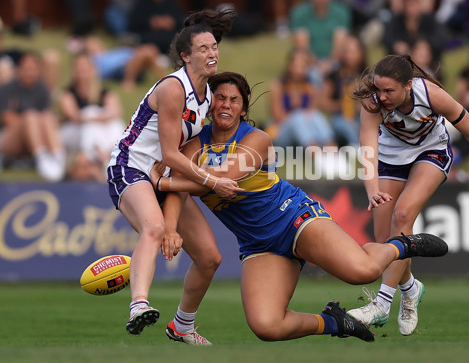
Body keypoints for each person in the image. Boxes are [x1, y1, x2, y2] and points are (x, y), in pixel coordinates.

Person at [148, 71, 449, 343]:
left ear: (243, 108)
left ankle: (405, 244)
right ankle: (334, 322)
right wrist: (172, 228)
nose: (226, 105)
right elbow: (182, 193)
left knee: (364, 271)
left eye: (234, 100)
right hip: (257, 244)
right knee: (266, 326)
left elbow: (222, 179)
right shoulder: (192, 147)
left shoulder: (258, 139)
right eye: (220, 98)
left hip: (296, 218)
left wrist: (163, 183)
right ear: (209, 104)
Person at [106, 9, 244, 340]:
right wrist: (213, 181)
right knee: (153, 228)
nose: (212, 53)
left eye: (214, 47)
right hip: (130, 168)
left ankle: (182, 325)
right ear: (185, 56)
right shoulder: (172, 88)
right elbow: (169, 155)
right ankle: (139, 304)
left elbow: (177, 165)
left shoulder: (207, 96)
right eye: (203, 49)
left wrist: (173, 226)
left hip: (162, 179)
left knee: (210, 258)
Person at [347, 54, 469, 335]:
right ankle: (410, 288)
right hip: (390, 158)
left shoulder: (432, 95)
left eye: (389, 91)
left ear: (408, 85)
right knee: (385, 243)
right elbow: (368, 149)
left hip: (430, 152)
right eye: (378, 89)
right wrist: (372, 191)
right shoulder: (371, 103)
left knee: (404, 214)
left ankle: (382, 305)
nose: (381, 97)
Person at [0, 52, 65, 181]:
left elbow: (46, 117)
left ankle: (58, 157)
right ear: (18, 70)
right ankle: (42, 158)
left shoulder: (42, 89)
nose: (29, 73)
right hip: (8, 140)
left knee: (46, 118)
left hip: (33, 139)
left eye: (33, 69)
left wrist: (37, 124)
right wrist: (30, 123)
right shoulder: (7, 88)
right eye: (26, 69)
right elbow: (6, 118)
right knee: (31, 117)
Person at [59, 53, 124, 181]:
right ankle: (100, 159)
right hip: (72, 133)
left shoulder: (103, 92)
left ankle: (99, 156)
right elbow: (73, 116)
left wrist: (96, 118)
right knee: (90, 112)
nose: (83, 72)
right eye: (79, 68)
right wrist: (96, 117)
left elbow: (116, 111)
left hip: (96, 136)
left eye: (86, 68)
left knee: (115, 123)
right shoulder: (68, 93)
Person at [289, 0, 351, 89]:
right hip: (309, 62)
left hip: (334, 60)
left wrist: (329, 63)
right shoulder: (299, 13)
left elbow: (340, 43)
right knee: (310, 71)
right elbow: (302, 46)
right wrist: (317, 64)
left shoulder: (342, 12)